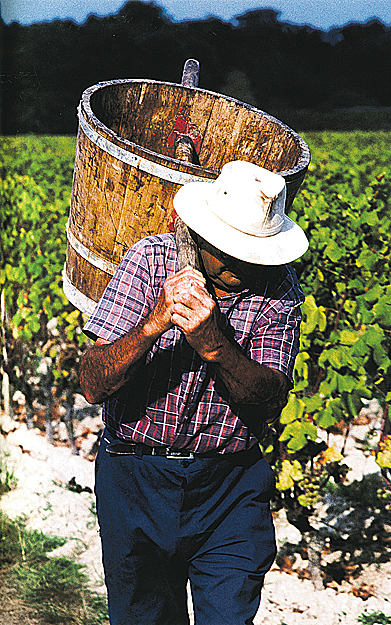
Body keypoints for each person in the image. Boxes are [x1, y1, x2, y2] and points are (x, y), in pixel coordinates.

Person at [79, 160, 309, 625]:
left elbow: (269, 400)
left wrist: (213, 345)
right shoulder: (150, 262)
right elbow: (92, 383)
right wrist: (154, 324)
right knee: (145, 615)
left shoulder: (279, 291)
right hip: (135, 476)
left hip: (228, 485)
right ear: (202, 237)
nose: (241, 266)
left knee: (228, 615)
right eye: (230, 251)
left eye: (254, 254)